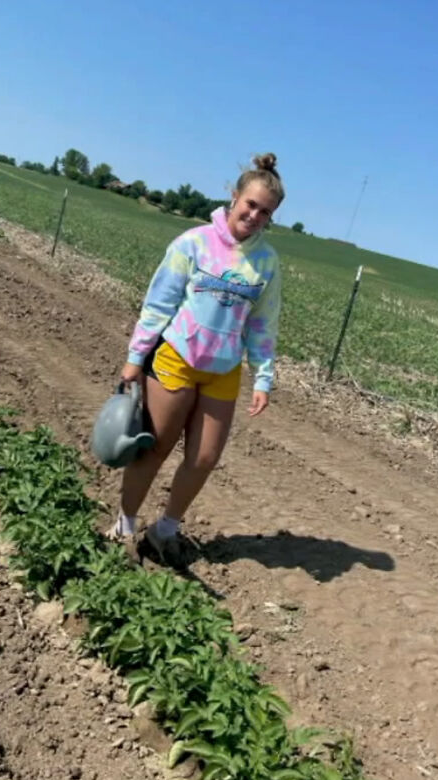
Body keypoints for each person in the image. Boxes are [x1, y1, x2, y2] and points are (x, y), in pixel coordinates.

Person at [110, 153, 285, 568]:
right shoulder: (193, 243)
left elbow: (263, 323)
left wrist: (263, 377)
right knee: (153, 449)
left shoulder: (266, 262)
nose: (256, 215)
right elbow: (159, 303)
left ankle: (165, 530)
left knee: (204, 458)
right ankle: (124, 524)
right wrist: (136, 358)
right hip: (177, 358)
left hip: (223, 370)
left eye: (266, 212)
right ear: (235, 197)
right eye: (251, 205)